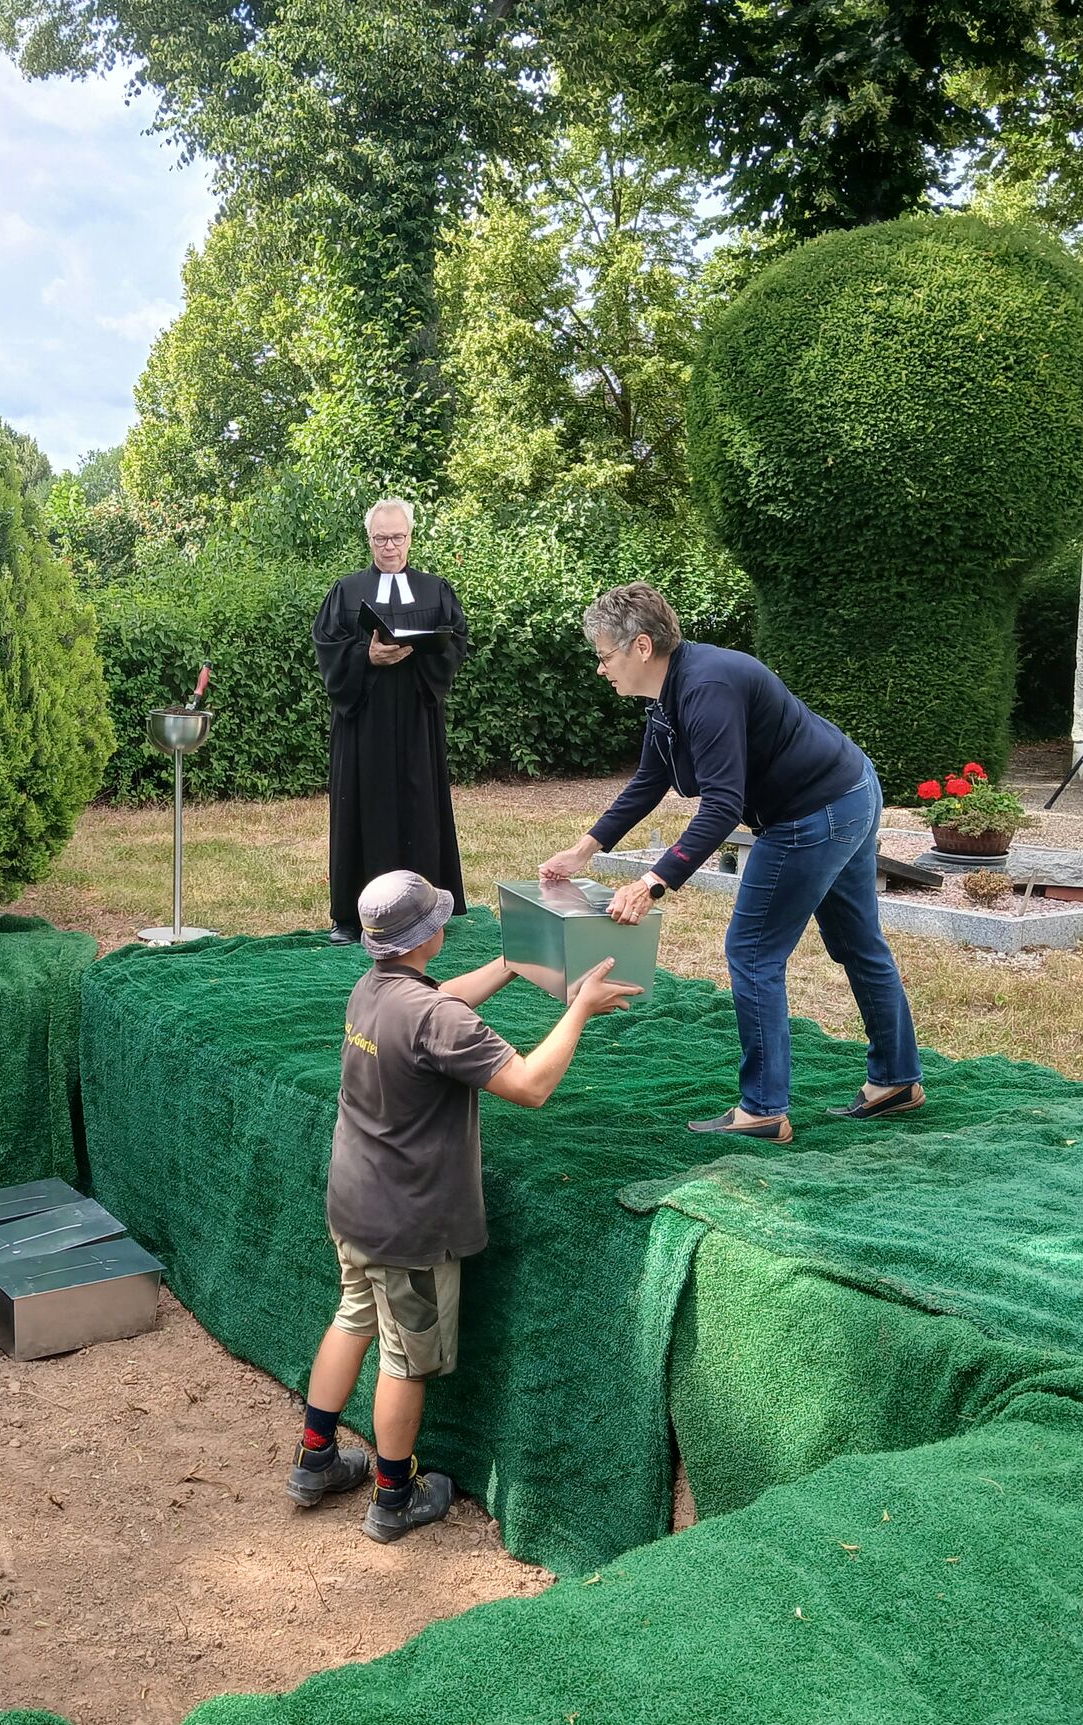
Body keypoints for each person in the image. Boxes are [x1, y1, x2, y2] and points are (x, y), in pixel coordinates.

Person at [284, 868, 640, 1542]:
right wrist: (580, 1008)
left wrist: (509, 962)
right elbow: (531, 1085)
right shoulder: (440, 1020)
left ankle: (315, 1460)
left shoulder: (374, 989)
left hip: (355, 1202)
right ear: (433, 933)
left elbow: (439, 999)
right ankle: (394, 1497)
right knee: (404, 1358)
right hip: (408, 1226)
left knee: (353, 1316)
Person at [538, 583, 923, 1143]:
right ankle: (896, 1080)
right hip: (849, 791)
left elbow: (722, 804)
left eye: (604, 656)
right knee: (858, 944)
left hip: (814, 813)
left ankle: (764, 1109)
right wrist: (585, 849)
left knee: (753, 950)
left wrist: (653, 881)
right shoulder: (670, 693)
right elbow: (651, 779)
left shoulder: (707, 687)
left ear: (641, 646)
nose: (601, 670)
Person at [313, 498, 470, 944]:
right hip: (363, 721)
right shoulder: (346, 590)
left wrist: (419, 651)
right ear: (369, 539)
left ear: (410, 537)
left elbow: (456, 642)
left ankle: (425, 911)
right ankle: (350, 916)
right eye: (381, 538)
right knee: (360, 806)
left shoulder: (435, 589)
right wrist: (367, 656)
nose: (389, 547)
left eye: (397, 537)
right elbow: (328, 647)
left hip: (418, 719)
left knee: (420, 808)